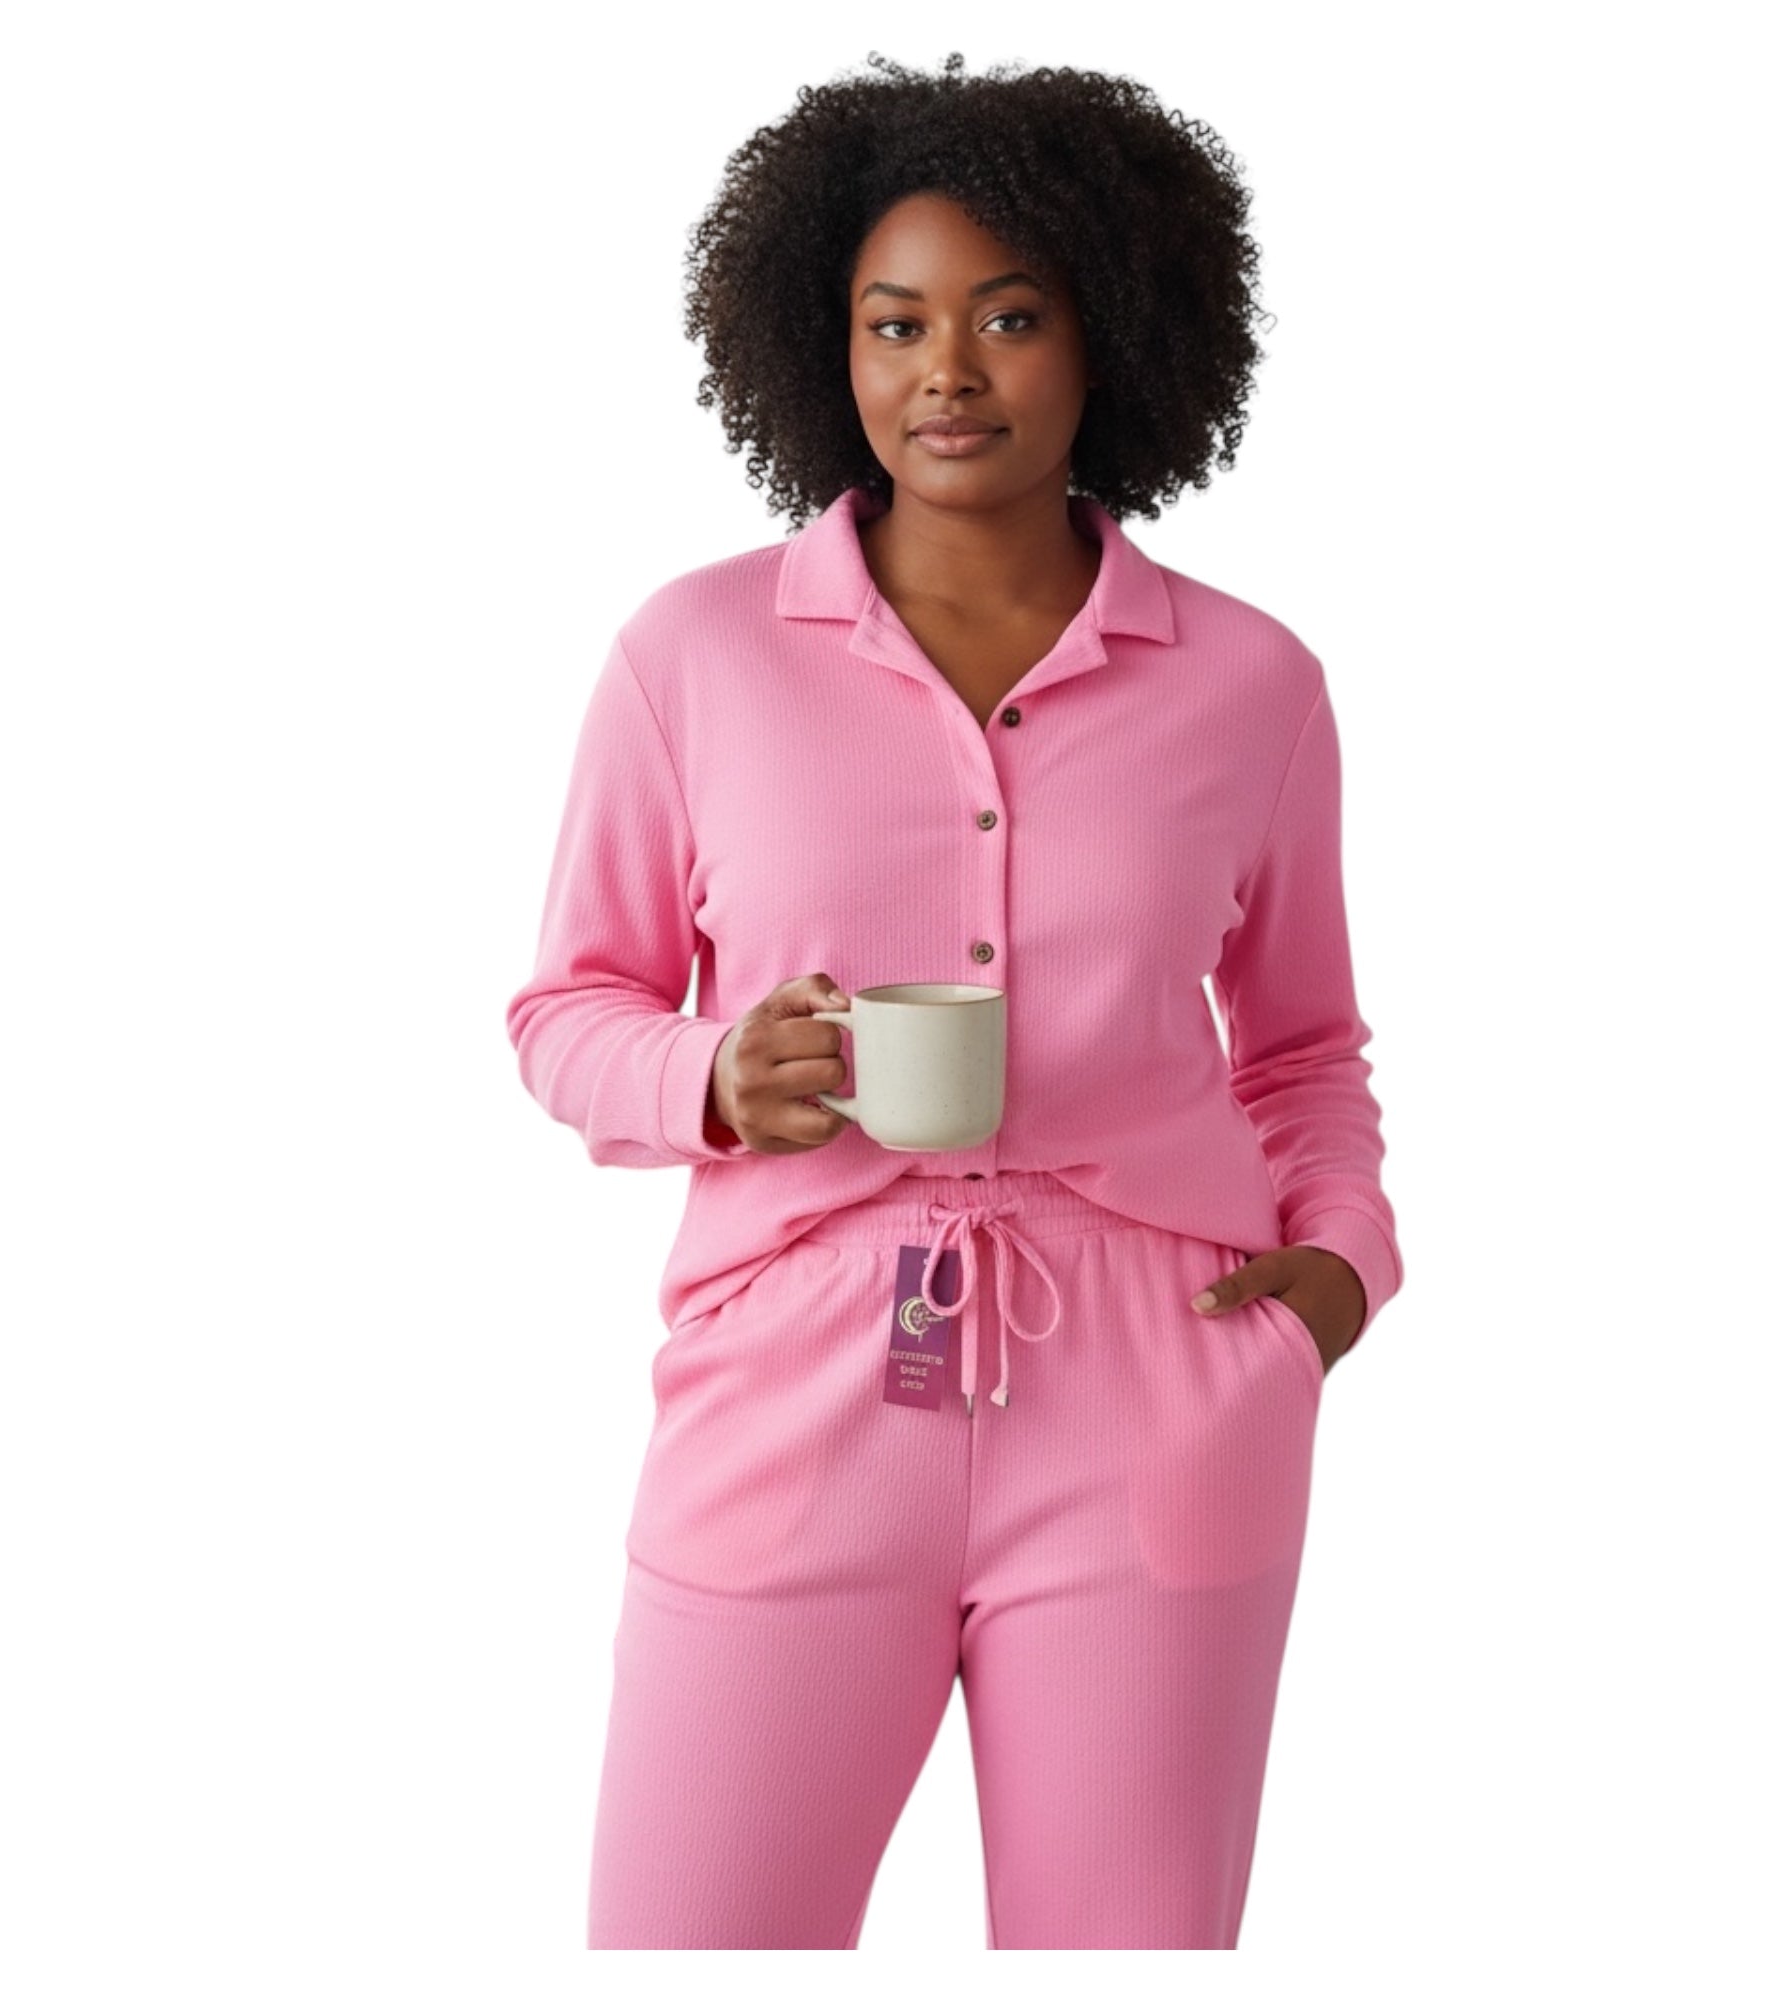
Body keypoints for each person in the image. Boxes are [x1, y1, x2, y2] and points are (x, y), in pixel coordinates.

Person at [504, 50, 1404, 1951]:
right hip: (793, 1385)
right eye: (894, 322)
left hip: (1158, 1393)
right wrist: (713, 1075)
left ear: (1110, 332)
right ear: (824, 343)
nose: (948, 372)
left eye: (1009, 316)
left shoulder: (1253, 686)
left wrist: (1335, 1277)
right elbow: (569, 1006)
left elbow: (1306, 1047)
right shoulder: (693, 658)